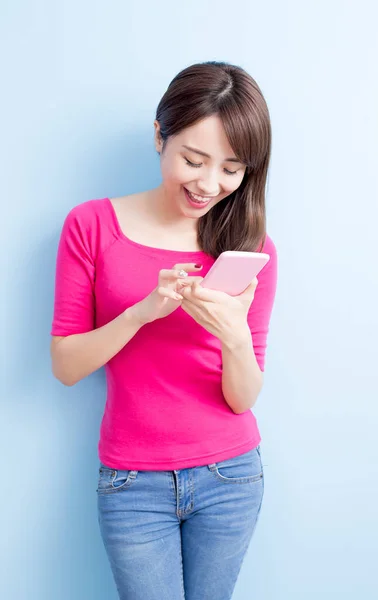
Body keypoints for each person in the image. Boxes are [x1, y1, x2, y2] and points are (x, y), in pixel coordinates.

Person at [50, 61, 278, 600]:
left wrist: (234, 335)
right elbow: (65, 366)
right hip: (132, 484)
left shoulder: (251, 250)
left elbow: (242, 397)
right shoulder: (91, 226)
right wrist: (140, 313)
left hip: (231, 477)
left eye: (231, 168)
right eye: (193, 160)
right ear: (159, 137)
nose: (208, 184)